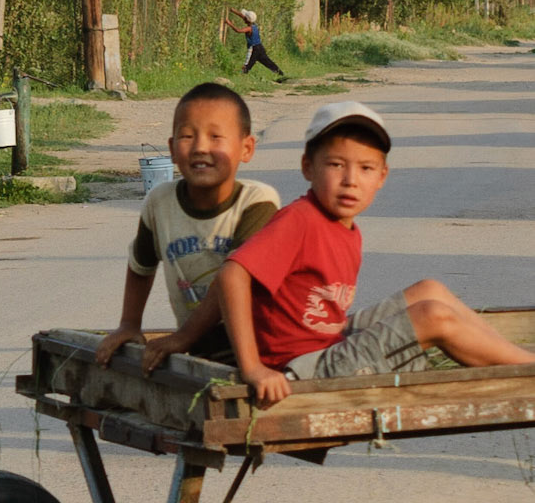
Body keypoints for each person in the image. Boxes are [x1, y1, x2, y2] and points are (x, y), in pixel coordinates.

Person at [220, 99, 535, 404]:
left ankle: (511, 357)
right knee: (432, 316)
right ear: (308, 167)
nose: (350, 181)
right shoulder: (299, 220)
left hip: (332, 343)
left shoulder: (343, 228)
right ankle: (528, 370)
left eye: (366, 168)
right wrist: (253, 368)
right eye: (335, 165)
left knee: (430, 290)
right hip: (305, 368)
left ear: (382, 176)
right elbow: (233, 274)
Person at [95, 81, 279, 371]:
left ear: (246, 148)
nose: (200, 147)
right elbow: (141, 265)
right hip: (200, 351)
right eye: (187, 136)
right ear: (171, 148)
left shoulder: (257, 203)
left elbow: (235, 279)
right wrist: (129, 324)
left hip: (259, 351)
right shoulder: (160, 202)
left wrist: (183, 337)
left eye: (216, 137)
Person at [231, 7, 285, 81]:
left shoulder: (249, 28)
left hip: (254, 49)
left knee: (248, 65)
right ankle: (281, 74)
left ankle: (240, 78)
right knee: (268, 62)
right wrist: (234, 11)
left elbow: (238, 30)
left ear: (247, 19)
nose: (243, 18)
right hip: (260, 47)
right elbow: (242, 16)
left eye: (245, 17)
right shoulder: (254, 25)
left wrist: (229, 23)